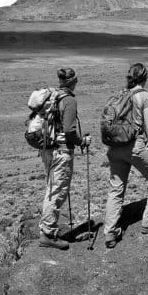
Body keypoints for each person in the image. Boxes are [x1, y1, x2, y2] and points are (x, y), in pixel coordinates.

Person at [103, 63, 148, 249]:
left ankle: (110, 232)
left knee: (116, 189)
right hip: (134, 146)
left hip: (115, 148)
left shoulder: (121, 95)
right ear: (145, 77)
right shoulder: (144, 96)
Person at [39, 67, 92, 250]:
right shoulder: (68, 100)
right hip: (61, 151)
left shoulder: (53, 96)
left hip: (49, 149)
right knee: (57, 191)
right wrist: (82, 141)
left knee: (52, 188)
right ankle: (48, 234)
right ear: (72, 82)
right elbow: (69, 130)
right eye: (76, 80)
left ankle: (47, 229)